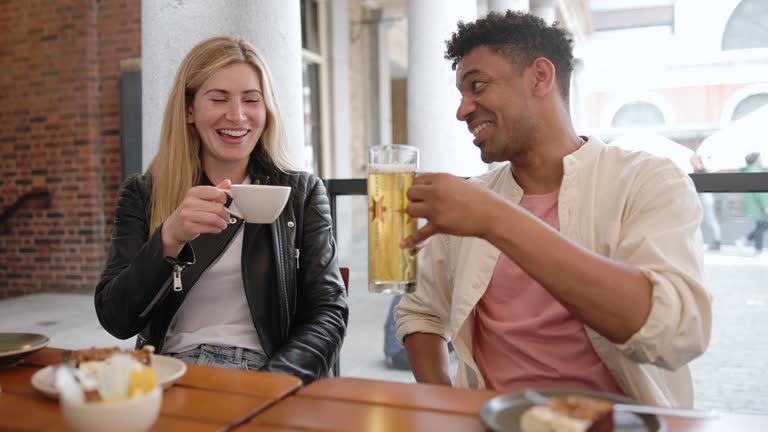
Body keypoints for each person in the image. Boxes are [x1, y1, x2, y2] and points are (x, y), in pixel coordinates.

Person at [395, 11, 711, 407]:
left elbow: (675, 334)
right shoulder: (475, 199)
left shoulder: (648, 180)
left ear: (540, 77)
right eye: (461, 95)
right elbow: (421, 313)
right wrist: (445, 404)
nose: (462, 110)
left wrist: (495, 219)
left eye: (478, 86)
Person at [95, 36, 348, 383]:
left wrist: (274, 383)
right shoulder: (144, 193)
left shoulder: (301, 194)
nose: (237, 115)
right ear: (188, 110)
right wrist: (167, 239)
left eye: (251, 100)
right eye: (218, 99)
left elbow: (328, 313)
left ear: (266, 110)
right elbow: (116, 320)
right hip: (170, 372)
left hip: (266, 372)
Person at [690, 154, 722, 251]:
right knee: (700, 219)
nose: (692, 163)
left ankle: (717, 241)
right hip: (700, 196)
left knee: (710, 219)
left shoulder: (701, 169)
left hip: (705, 196)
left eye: (693, 161)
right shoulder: (696, 170)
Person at [740, 152, 768, 255]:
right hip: (760, 205)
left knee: (761, 226)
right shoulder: (756, 171)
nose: (761, 161)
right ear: (756, 161)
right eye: (760, 159)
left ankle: (744, 240)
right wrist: (766, 205)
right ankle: (758, 249)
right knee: (762, 226)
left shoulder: (749, 171)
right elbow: (761, 192)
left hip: (755, 205)